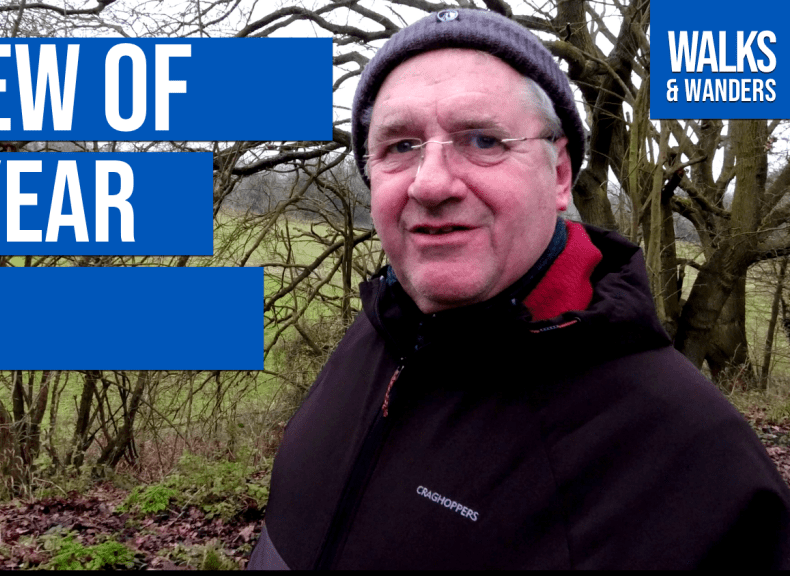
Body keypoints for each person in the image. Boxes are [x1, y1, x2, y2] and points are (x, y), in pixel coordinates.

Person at [248, 8, 790, 570]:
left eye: (483, 139)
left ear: (559, 174)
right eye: (401, 146)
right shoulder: (374, 334)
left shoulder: (699, 469)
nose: (430, 183)